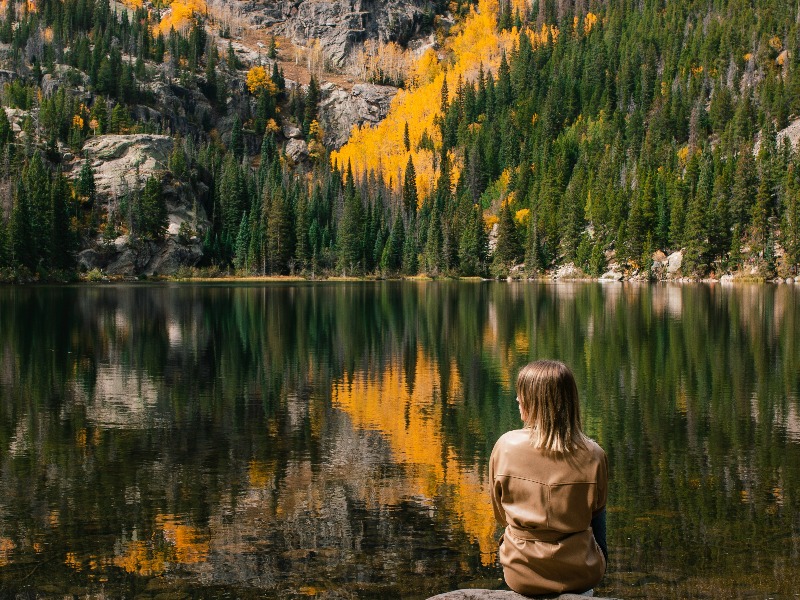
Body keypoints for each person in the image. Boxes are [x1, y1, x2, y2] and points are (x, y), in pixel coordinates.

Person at [489, 360, 608, 597]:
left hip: (521, 573)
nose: (517, 400)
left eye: (521, 394)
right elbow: (596, 516)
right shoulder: (594, 455)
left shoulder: (505, 447)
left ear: (537, 401)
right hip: (581, 573)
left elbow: (500, 515)